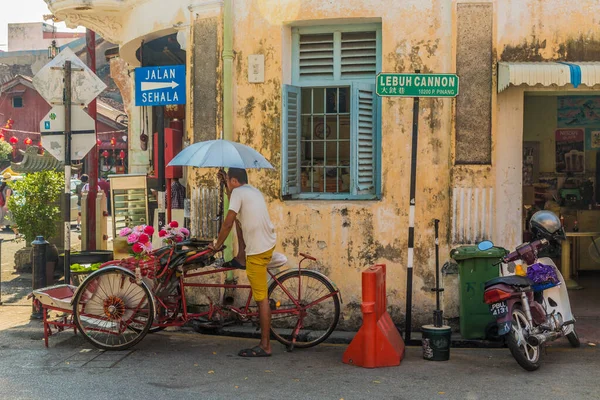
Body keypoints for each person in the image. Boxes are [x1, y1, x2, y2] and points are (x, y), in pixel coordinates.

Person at [208, 168, 276, 357]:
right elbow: (235, 208)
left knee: (261, 300)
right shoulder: (252, 191)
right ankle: (240, 256)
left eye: (229, 181)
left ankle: (265, 346)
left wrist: (216, 246)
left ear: (235, 180)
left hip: (257, 252)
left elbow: (227, 223)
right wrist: (225, 185)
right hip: (267, 243)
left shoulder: (237, 192)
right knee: (240, 219)